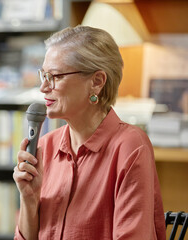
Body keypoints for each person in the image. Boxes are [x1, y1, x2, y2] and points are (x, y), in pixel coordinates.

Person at [13, 25, 166, 240]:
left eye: (55, 76)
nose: (43, 87)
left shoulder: (130, 146)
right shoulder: (45, 147)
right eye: (43, 75)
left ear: (97, 82)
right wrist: (29, 200)